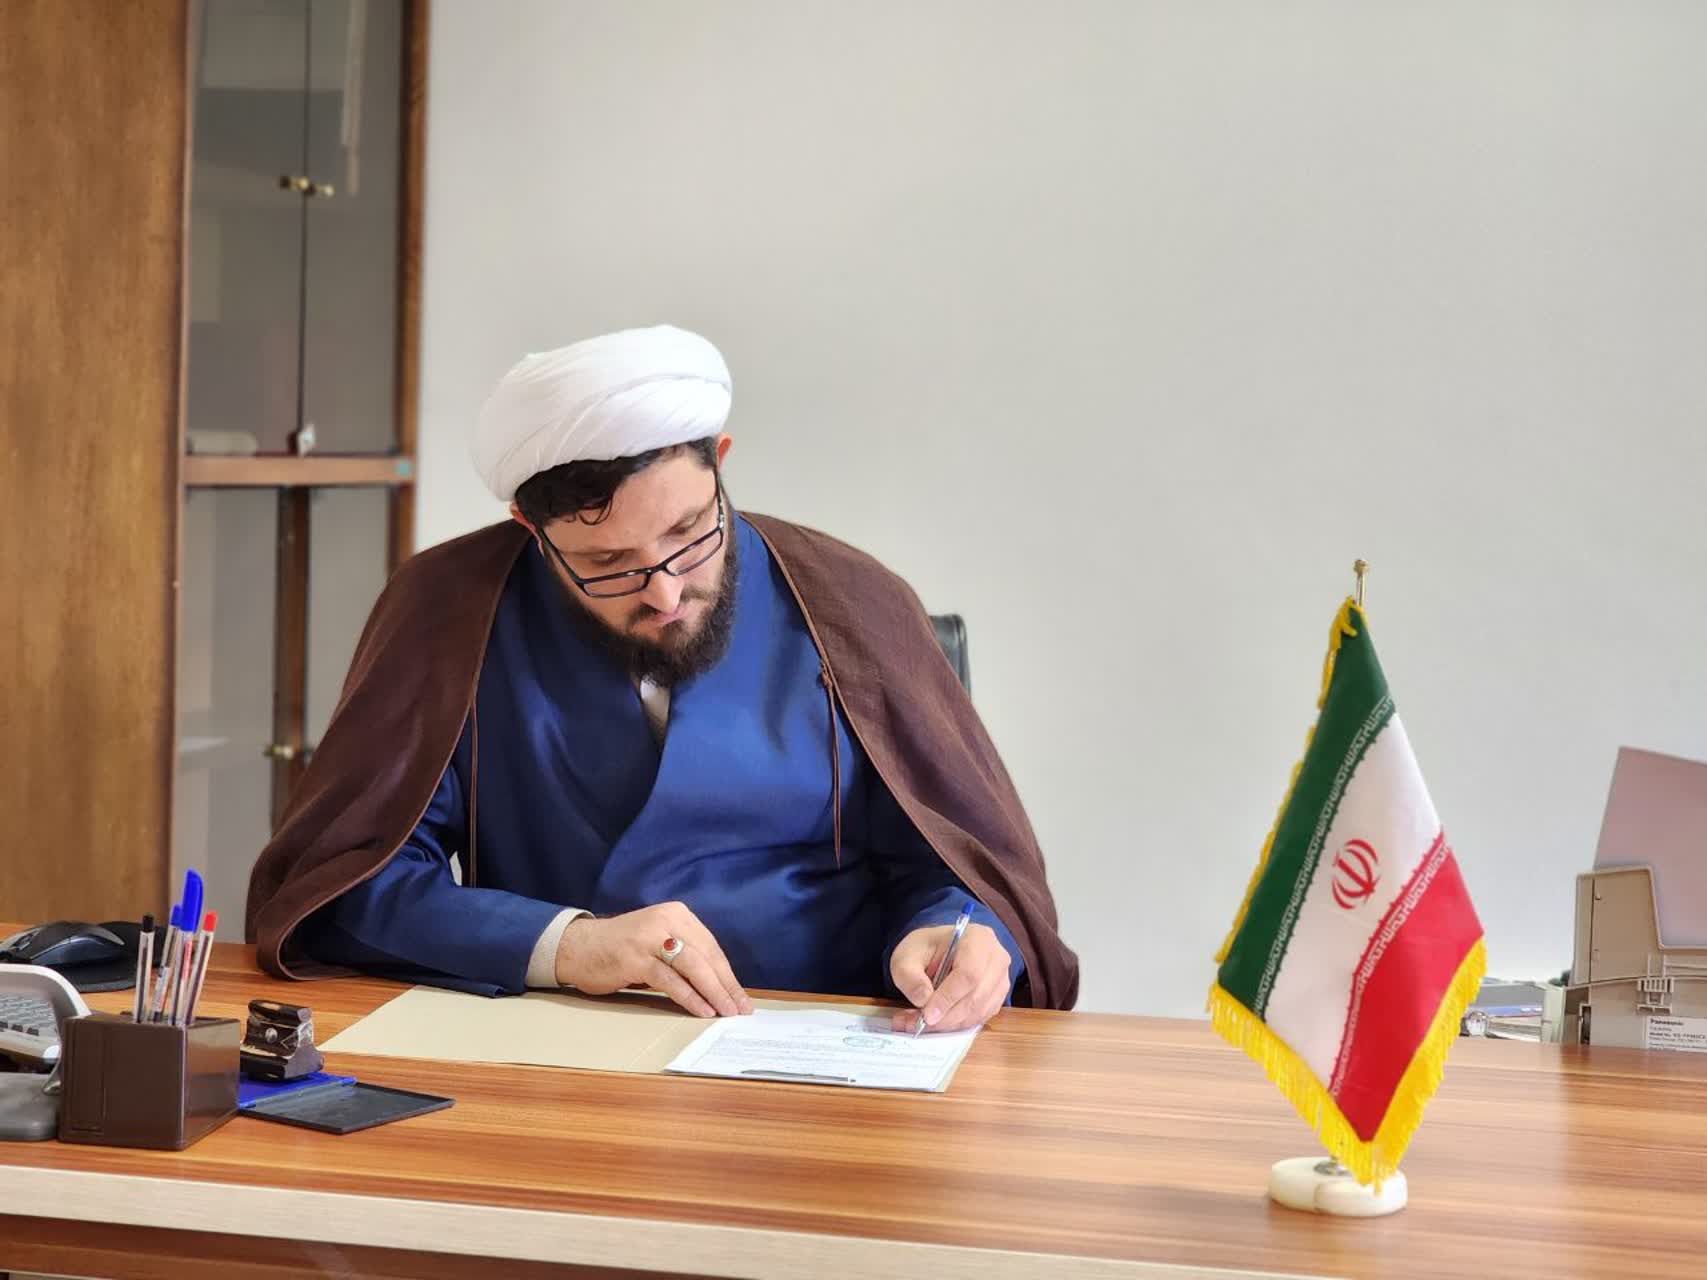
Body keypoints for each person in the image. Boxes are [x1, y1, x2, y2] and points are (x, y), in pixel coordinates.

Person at [247, 325, 1077, 1032]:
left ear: (721, 462)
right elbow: (348, 884)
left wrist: (958, 929)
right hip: (553, 1043)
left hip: (830, 1040)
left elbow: (955, 865)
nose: (666, 592)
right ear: (529, 528)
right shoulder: (449, 609)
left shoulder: (853, 602)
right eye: (608, 563)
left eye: (689, 532)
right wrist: (566, 946)